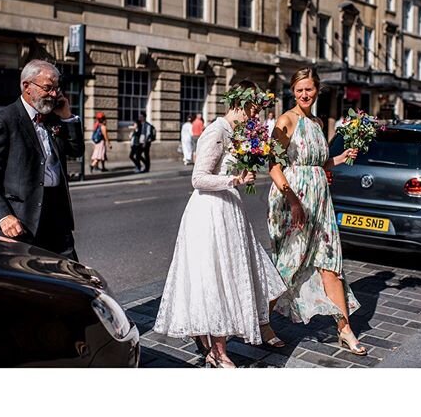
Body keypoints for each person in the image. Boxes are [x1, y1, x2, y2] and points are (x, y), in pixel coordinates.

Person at [154, 81, 286, 368]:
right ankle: (217, 351)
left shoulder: (238, 132)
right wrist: (235, 180)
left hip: (229, 211)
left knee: (239, 276)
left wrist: (244, 171)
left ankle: (216, 342)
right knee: (216, 278)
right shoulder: (216, 131)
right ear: (239, 104)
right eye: (254, 108)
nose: (256, 115)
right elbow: (198, 178)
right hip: (210, 212)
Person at [267, 67, 367, 355]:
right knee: (288, 265)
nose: (304, 94)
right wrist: (294, 202)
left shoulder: (318, 122)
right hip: (292, 200)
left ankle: (345, 329)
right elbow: (272, 164)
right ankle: (260, 321)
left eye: (309, 89)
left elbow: (318, 165)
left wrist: (341, 157)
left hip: (320, 201)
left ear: (317, 90)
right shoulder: (286, 120)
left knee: (330, 264)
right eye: (299, 90)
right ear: (293, 91)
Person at [0, 60, 84, 260]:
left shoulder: (53, 117)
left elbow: (76, 151)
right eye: (48, 88)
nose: (53, 94)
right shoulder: (4, 120)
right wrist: (3, 216)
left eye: (56, 89)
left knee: (70, 277)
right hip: (21, 220)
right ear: (27, 86)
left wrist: (67, 116)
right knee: (25, 282)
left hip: (57, 216)